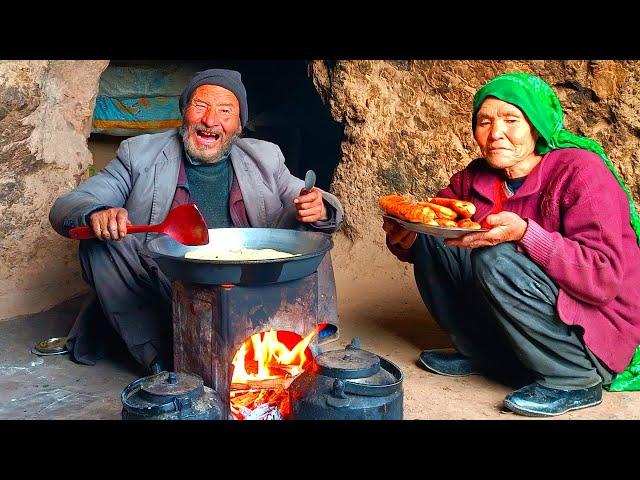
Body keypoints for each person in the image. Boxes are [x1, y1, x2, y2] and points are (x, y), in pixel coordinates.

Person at [50, 68, 345, 374]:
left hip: (252, 286)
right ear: (184, 112)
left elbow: (308, 195)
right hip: (167, 286)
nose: (210, 120)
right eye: (201, 106)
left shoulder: (266, 158)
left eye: (225, 111)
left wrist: (320, 207)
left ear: (239, 125)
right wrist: (96, 213)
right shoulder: (139, 155)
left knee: (310, 230)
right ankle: (164, 363)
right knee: (99, 244)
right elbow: (69, 205)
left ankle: (307, 343)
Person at [383, 72, 640, 417]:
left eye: (511, 120)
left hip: (593, 329)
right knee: (433, 236)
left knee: (496, 257)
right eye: (484, 122)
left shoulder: (582, 171)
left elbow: (604, 276)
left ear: (535, 126)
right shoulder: (474, 177)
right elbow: (435, 235)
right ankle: (483, 352)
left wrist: (526, 234)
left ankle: (573, 379)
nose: (496, 133)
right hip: (518, 323)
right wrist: (407, 240)